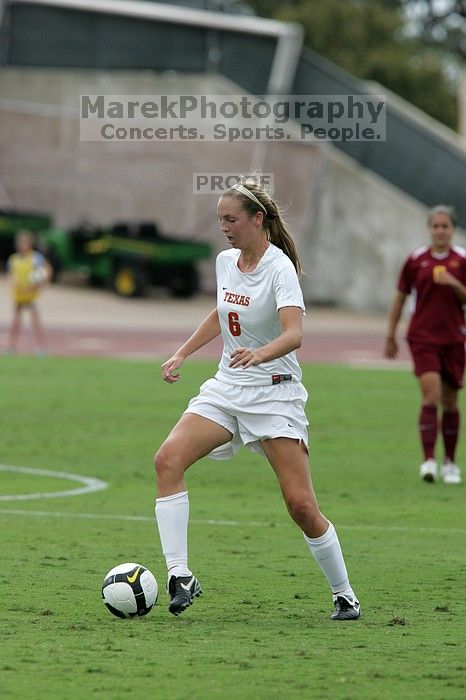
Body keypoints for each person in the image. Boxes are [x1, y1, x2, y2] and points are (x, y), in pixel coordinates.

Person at [154, 181, 360, 620]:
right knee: (167, 460)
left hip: (275, 393)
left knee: (301, 506)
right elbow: (221, 313)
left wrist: (260, 353)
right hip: (228, 386)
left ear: (256, 219)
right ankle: (180, 575)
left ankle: (344, 594)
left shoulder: (279, 269)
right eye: (220, 220)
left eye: (231, 220)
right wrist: (183, 352)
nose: (224, 228)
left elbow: (294, 333)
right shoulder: (226, 260)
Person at [384, 205, 465, 484]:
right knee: (430, 396)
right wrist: (390, 334)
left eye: (445, 226)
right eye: (436, 226)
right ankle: (429, 460)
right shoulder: (416, 260)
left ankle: (451, 463)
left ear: (452, 229)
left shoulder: (462, 260)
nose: (440, 230)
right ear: (429, 229)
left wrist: (454, 284)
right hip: (423, 338)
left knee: (451, 402)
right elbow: (400, 296)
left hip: (454, 339)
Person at [6, 230, 52, 354]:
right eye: (21, 243)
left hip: (31, 295)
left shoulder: (36, 258)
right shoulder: (14, 259)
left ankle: (41, 347)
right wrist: (14, 283)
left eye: (25, 243)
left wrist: (39, 286)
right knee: (16, 321)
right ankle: (11, 346)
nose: (22, 245)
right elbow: (10, 275)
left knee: (35, 321)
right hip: (19, 294)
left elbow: (47, 271)